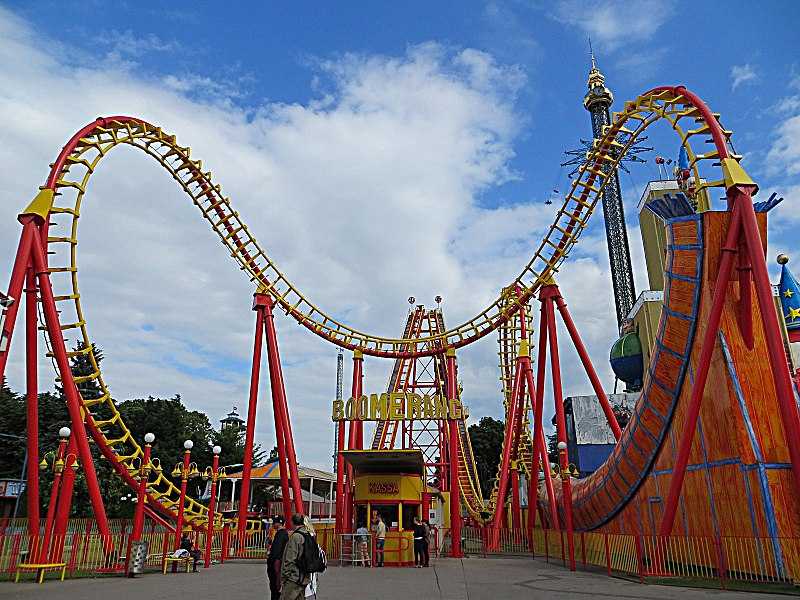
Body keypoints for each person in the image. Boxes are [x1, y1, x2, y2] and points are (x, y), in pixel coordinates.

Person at [280, 514, 311, 600]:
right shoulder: (308, 535)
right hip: (304, 576)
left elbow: (290, 559)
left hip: (294, 578)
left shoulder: (295, 537)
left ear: (292, 522)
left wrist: (284, 577)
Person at [267, 516, 289, 600]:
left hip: (276, 566)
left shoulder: (281, 534)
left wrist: (270, 560)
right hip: (278, 565)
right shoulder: (280, 534)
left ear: (279, 523)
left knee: (275, 588)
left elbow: (276, 552)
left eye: (274, 522)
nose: (272, 524)